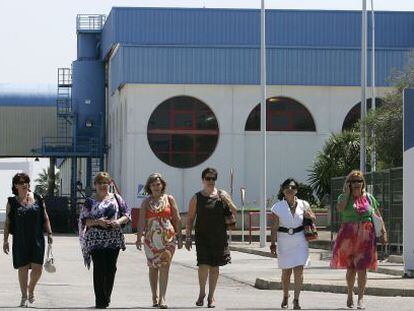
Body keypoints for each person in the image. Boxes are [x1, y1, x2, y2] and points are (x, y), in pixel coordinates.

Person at [330, 170, 388, 310]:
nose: (356, 184)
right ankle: (350, 293)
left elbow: (377, 216)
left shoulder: (369, 197)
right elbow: (340, 208)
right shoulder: (343, 197)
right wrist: (348, 193)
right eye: (353, 181)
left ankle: (361, 298)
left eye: (359, 181)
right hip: (348, 237)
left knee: (362, 268)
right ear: (348, 184)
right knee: (351, 269)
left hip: (366, 236)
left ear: (363, 183)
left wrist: (383, 233)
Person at [185, 167, 237, 308]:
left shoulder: (222, 194)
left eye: (213, 178)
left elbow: (234, 210)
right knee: (203, 266)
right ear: (203, 180)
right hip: (202, 237)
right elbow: (190, 218)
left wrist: (228, 200)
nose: (211, 181)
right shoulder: (197, 197)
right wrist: (188, 236)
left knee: (215, 267)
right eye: (208, 178)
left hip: (219, 237)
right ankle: (202, 293)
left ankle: (211, 296)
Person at [79, 172, 130, 309]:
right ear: (95, 185)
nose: (103, 185)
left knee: (111, 269)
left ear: (109, 184)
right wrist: (97, 222)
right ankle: (100, 301)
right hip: (96, 240)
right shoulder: (90, 201)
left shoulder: (117, 198)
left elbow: (126, 214)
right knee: (100, 269)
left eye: (105, 183)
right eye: (100, 183)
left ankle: (107, 296)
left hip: (113, 239)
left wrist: (118, 222)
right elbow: (84, 220)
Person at [2, 172, 53, 307]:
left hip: (37, 238)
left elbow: (45, 216)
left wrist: (49, 232)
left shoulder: (38, 198)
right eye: (21, 182)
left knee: (38, 268)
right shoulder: (11, 202)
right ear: (15, 186)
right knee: (23, 268)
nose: (24, 184)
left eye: (26, 181)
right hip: (20, 239)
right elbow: (7, 222)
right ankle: (24, 296)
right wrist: (5, 240)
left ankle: (31, 289)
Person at [135, 173, 182, 309]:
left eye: (158, 184)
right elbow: (141, 221)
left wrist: (180, 237)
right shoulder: (146, 202)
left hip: (168, 238)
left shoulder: (169, 199)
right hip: (150, 240)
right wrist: (139, 237)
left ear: (162, 185)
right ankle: (154, 296)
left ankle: (163, 298)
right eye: (153, 184)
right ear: (149, 187)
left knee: (165, 266)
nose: (156, 187)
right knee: (153, 267)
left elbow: (177, 218)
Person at [269, 178, 316, 310]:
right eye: (287, 187)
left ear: (296, 190)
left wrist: (309, 216)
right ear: (283, 190)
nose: (290, 189)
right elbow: (274, 227)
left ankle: (296, 299)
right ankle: (285, 295)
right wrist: (273, 244)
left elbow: (313, 217)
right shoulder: (277, 207)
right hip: (284, 240)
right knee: (286, 272)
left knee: (299, 271)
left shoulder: (304, 204)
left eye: (293, 187)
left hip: (300, 239)